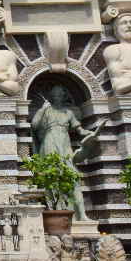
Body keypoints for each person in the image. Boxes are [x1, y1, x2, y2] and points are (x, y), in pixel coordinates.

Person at [31, 85, 94, 220]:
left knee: (74, 178)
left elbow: (80, 130)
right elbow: (34, 125)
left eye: (60, 94)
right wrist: (42, 109)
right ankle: (56, 210)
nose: (58, 96)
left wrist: (91, 133)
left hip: (65, 145)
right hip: (50, 143)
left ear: (64, 96)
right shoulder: (46, 110)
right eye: (55, 94)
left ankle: (82, 215)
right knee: (52, 177)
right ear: (52, 97)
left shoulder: (69, 113)